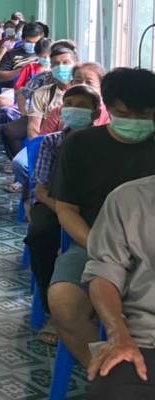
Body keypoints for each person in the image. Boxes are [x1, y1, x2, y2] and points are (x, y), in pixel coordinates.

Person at [48, 68, 155, 367]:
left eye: (143, 115)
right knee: (63, 301)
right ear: (107, 108)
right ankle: (103, 369)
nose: (134, 121)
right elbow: (66, 210)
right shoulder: (80, 145)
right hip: (92, 243)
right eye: (124, 113)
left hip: (149, 246)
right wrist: (98, 244)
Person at [23, 84, 103, 344]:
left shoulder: (103, 144)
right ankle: (51, 307)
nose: (74, 110)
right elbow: (41, 189)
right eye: (70, 105)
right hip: (53, 203)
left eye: (82, 106)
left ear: (96, 112)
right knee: (40, 235)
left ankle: (90, 305)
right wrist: (66, 212)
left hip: (92, 207)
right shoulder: (52, 142)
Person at [83, 174, 155, 400]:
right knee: (110, 390)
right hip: (146, 340)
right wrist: (118, 335)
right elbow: (103, 275)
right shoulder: (128, 199)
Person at [26, 41, 78, 139]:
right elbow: (33, 128)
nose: (61, 67)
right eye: (56, 64)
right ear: (51, 67)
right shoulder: (41, 93)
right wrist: (39, 145)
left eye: (66, 62)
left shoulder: (84, 93)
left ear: (76, 65)